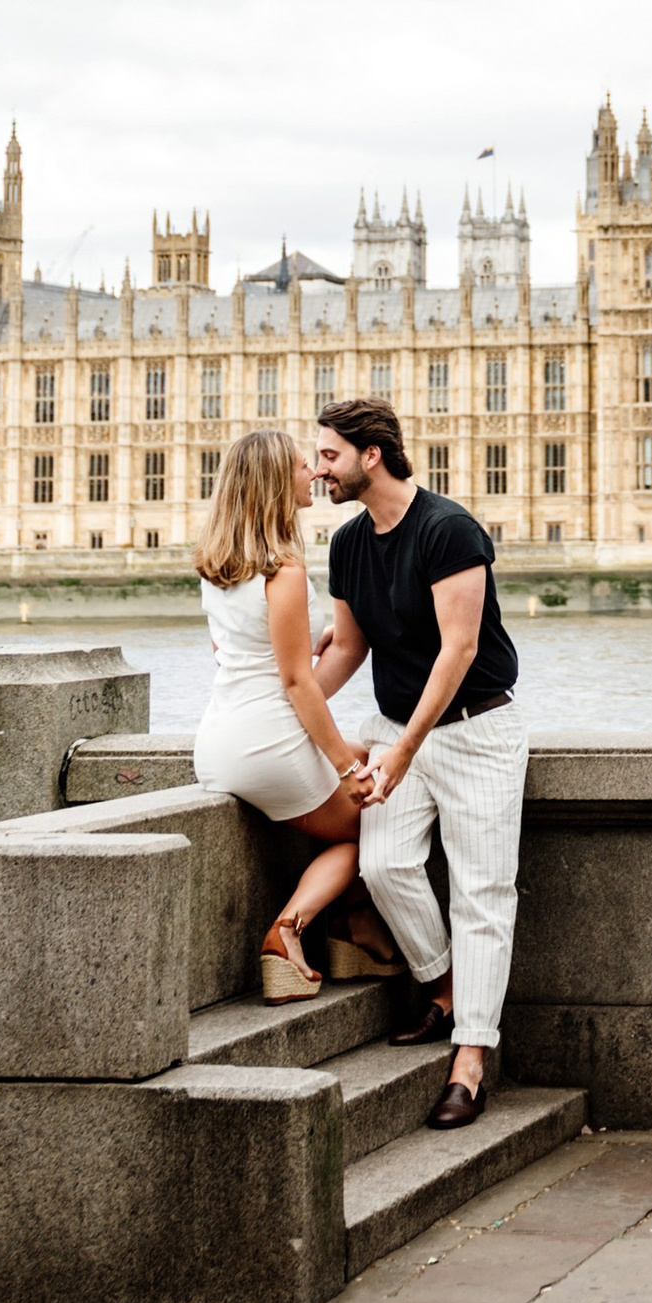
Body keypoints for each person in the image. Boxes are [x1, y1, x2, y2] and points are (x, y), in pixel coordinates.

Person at [311, 393, 525, 1128]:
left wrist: (403, 751)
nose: (318, 471)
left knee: (482, 895)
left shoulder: (449, 529)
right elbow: (346, 648)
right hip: (398, 728)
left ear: (372, 455)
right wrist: (280, 698)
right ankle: (443, 984)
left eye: (329, 455)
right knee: (386, 865)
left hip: (476, 733)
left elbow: (459, 651)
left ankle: (470, 1059)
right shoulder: (345, 544)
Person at [190, 426, 372, 1002]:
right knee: (378, 826)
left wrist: (308, 638)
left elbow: (233, 652)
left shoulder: (218, 565)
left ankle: (355, 936)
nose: (313, 473)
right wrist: (346, 765)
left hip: (218, 742)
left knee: (367, 774)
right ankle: (289, 934)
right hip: (270, 744)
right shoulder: (283, 570)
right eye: (301, 466)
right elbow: (296, 684)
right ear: (274, 482)